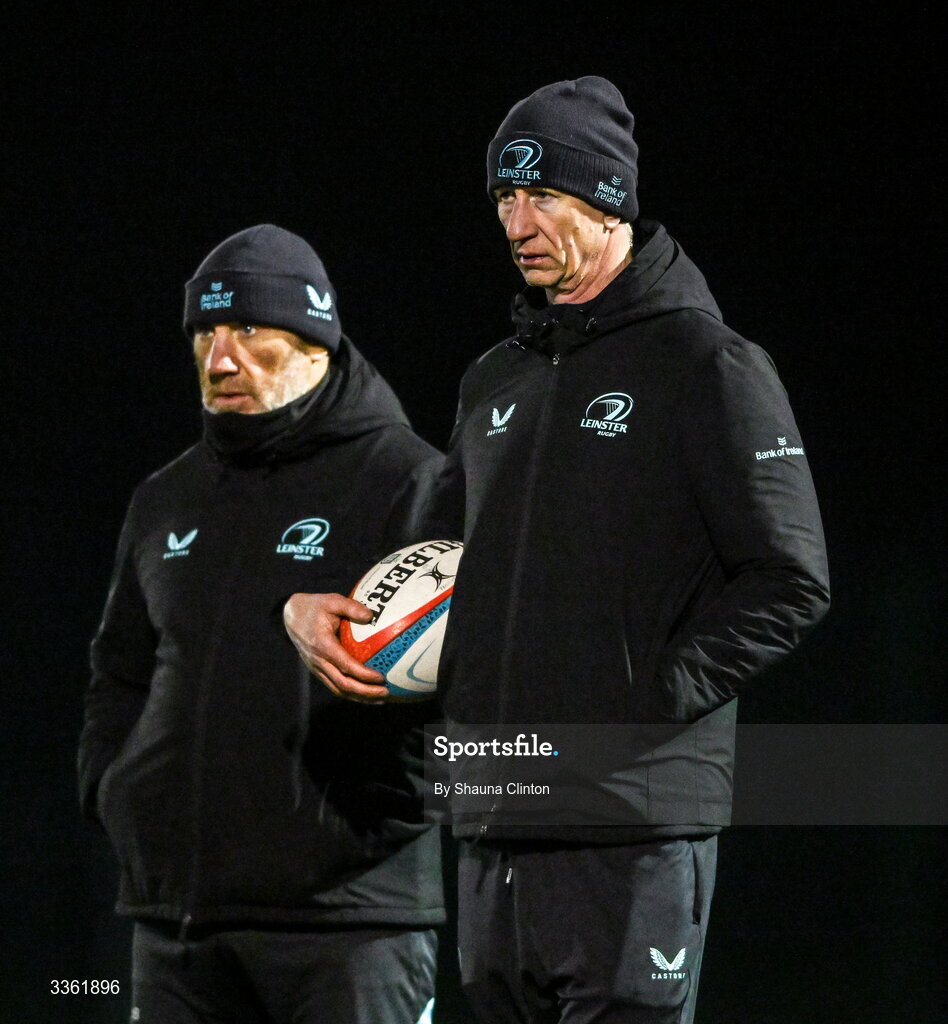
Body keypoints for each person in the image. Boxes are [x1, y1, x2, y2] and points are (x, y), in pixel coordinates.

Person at [285, 77, 830, 1024]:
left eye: (543, 194)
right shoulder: (495, 379)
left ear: (610, 198)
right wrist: (332, 614)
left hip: (628, 817)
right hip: (498, 809)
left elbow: (791, 578)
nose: (516, 220)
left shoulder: (708, 364)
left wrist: (643, 695)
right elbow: (441, 556)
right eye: (504, 196)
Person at [78, 223, 445, 1024]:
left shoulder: (409, 480)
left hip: (349, 925)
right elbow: (120, 672)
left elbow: (472, 679)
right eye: (205, 333)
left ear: (315, 342)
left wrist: (382, 816)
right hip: (180, 925)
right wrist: (117, 792)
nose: (220, 357)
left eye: (248, 330)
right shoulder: (164, 498)